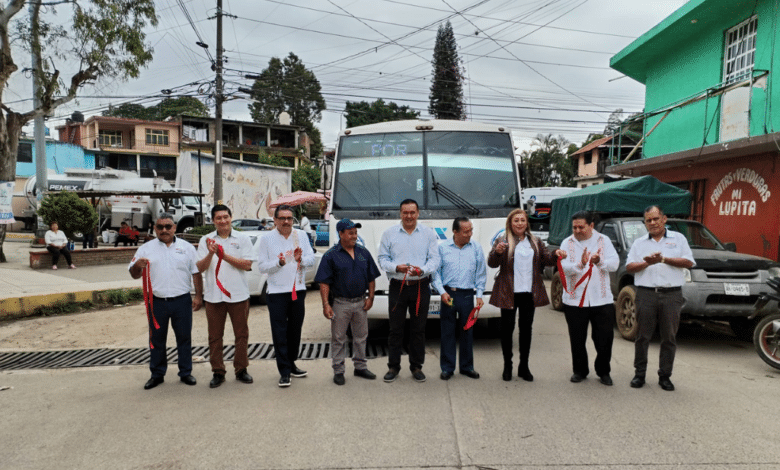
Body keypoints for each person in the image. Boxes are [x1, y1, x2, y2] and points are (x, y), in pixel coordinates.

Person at [128, 214, 203, 390]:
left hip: (182, 301)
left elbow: (196, 273)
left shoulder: (187, 248)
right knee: (157, 340)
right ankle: (157, 374)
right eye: (160, 227)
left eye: (168, 226)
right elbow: (133, 274)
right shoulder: (146, 249)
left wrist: (198, 296)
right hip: (157, 302)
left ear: (175, 227)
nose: (164, 230)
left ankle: (185, 372)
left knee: (184, 338)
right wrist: (138, 265)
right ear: (155, 229)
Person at [626, 205, 694, 392]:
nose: (653, 223)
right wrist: (646, 263)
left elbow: (689, 262)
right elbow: (629, 267)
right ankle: (639, 374)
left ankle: (665, 376)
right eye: (649, 220)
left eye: (656, 219)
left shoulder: (678, 239)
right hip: (646, 294)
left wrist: (664, 260)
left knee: (669, 337)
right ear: (645, 223)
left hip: (672, 295)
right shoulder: (639, 243)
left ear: (664, 219)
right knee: (642, 337)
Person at [488, 208, 556, 382]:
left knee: (526, 330)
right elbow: (492, 263)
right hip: (508, 292)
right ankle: (507, 366)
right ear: (511, 223)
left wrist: (556, 254)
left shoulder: (535, 241)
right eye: (516, 220)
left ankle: (523, 366)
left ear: (527, 223)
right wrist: (498, 252)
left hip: (529, 292)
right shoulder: (503, 240)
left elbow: (547, 259)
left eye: (522, 220)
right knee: (507, 330)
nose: (519, 223)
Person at [377, 199, 440, 383]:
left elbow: (434, 260)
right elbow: (382, 259)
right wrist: (397, 267)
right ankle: (393, 367)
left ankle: (417, 366)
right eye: (405, 212)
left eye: (412, 212)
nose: (409, 216)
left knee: (418, 329)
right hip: (398, 286)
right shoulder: (389, 234)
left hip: (421, 286)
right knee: (395, 329)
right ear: (400, 213)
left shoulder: (428, 234)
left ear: (418, 213)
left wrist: (423, 270)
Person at [555, 211, 619, 386]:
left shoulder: (604, 241)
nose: (577, 230)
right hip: (574, 301)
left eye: (581, 227)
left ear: (591, 225)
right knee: (577, 338)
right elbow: (563, 267)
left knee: (604, 339)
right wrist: (581, 264)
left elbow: (615, 264)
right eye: (574, 227)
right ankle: (580, 370)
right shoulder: (567, 243)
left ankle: (604, 371)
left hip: (601, 299)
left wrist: (599, 262)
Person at [315, 218, 381, 385]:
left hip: (360, 302)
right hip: (340, 304)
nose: (354, 236)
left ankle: (360, 367)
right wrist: (326, 304)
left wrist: (370, 297)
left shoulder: (363, 252)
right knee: (338, 338)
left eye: (355, 233)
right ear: (341, 234)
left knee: (361, 336)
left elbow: (372, 277)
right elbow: (324, 283)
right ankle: (338, 370)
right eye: (350, 233)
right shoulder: (330, 256)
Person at [257, 204, 316, 388]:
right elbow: (261, 267)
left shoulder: (301, 236)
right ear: (275, 220)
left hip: (297, 290)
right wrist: (279, 262)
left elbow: (311, 260)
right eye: (282, 218)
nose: (286, 222)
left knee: (295, 331)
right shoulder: (266, 239)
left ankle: (291, 364)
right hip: (276, 293)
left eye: (289, 218)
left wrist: (300, 260)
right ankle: (284, 371)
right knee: (280, 333)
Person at [197, 204, 255, 389]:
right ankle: (218, 372)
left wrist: (224, 255)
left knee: (241, 335)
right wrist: (210, 253)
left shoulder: (242, 238)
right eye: (218, 218)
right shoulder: (205, 240)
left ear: (231, 218)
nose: (222, 221)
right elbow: (199, 268)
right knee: (214, 336)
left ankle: (241, 369)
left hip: (238, 295)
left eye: (225, 217)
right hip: (214, 296)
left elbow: (247, 265)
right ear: (213, 221)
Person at [432, 217, 486, 381]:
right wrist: (442, 292)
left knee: (467, 331)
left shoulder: (476, 247)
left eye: (471, 230)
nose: (469, 234)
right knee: (447, 331)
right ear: (455, 232)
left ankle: (467, 367)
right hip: (449, 294)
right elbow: (435, 273)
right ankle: (447, 368)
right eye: (466, 231)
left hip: (467, 295)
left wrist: (479, 295)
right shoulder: (442, 248)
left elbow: (481, 273)